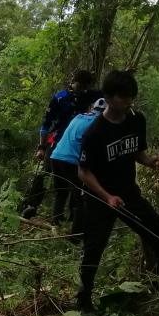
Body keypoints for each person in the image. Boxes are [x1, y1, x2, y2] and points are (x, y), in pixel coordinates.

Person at [77, 70, 159, 312]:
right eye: (124, 97)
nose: (129, 101)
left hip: (128, 193)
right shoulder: (95, 132)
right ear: (109, 98)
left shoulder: (136, 120)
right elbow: (84, 172)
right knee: (94, 248)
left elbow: (136, 151)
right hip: (99, 198)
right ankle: (84, 301)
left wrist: (150, 161)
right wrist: (107, 196)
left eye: (132, 96)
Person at [22, 69, 100, 222]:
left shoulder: (89, 95)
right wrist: (41, 147)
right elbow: (46, 123)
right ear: (73, 82)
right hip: (57, 141)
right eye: (79, 85)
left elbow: (109, 93)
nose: (81, 89)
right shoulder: (60, 98)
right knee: (46, 172)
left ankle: (72, 216)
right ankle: (30, 205)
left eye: (85, 86)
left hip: (78, 143)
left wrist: (126, 75)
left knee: (77, 179)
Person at [49, 94, 106, 239]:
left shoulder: (79, 117)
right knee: (81, 196)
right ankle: (75, 235)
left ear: (93, 108)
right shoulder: (98, 123)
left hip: (56, 156)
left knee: (61, 191)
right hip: (71, 160)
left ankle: (56, 222)